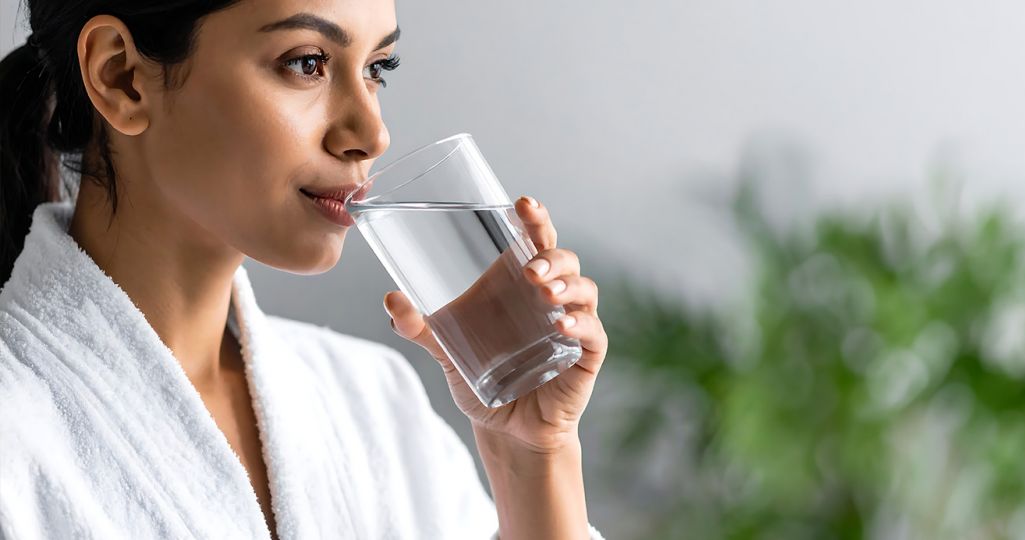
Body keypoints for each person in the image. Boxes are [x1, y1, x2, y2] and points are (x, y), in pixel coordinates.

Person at [0, 1, 608, 539]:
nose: (372, 133)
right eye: (307, 62)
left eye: (376, 69)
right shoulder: (16, 432)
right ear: (121, 77)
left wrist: (533, 454)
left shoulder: (373, 400)